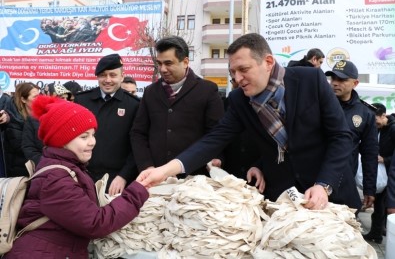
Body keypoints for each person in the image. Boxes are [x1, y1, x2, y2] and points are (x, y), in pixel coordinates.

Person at [137, 33, 359, 211]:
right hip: (284, 197)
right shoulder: (239, 99)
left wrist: (323, 185)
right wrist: (165, 171)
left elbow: (341, 136)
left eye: (244, 69)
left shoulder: (310, 80)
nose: (238, 79)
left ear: (268, 62)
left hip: (330, 191)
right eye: (233, 72)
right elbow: (213, 140)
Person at [3, 96, 148, 258]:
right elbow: (96, 223)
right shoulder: (56, 178)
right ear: (61, 140)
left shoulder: (67, 168)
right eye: (84, 136)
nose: (92, 142)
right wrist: (137, 191)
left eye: (93, 135)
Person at [131, 36, 224, 175]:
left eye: (168, 63)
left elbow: (217, 133)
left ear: (185, 62)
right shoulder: (151, 92)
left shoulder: (207, 90)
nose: (162, 69)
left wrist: (217, 158)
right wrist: (147, 166)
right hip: (156, 176)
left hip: (195, 177)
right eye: (159, 63)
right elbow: (138, 132)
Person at [74, 53, 140, 195]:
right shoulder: (82, 101)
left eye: (113, 75)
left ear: (122, 77)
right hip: (84, 175)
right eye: (103, 75)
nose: (107, 80)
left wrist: (124, 176)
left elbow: (137, 146)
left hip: (117, 181)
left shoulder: (134, 105)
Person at [325, 60, 378, 210]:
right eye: (333, 78)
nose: (335, 83)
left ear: (355, 83)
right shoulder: (319, 104)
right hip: (314, 179)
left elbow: (370, 154)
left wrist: (369, 189)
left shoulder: (365, 113)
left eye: (342, 79)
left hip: (344, 182)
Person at [363, 103, 395, 243]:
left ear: (383, 116)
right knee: (378, 204)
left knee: (384, 205)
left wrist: (385, 159)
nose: (374, 125)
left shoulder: (393, 129)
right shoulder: (377, 129)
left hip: (390, 173)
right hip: (380, 174)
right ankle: (378, 231)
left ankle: (380, 232)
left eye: (376, 121)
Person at [3, 82, 40, 177]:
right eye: (35, 97)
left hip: (36, 167)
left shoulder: (41, 114)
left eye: (39, 95)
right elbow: (22, 147)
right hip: (21, 171)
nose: (39, 99)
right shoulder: (13, 119)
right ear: (23, 99)